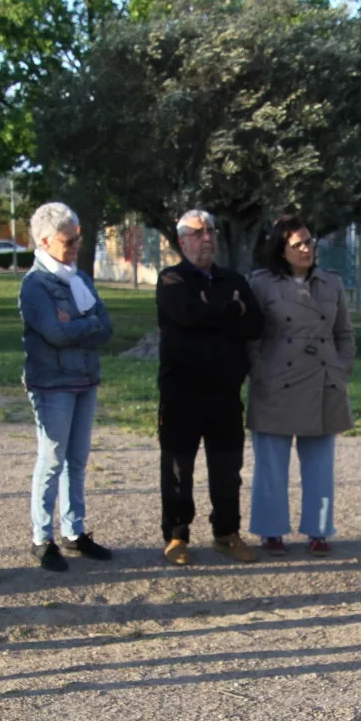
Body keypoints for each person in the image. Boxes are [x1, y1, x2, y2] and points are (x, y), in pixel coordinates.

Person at [155, 209, 265, 565]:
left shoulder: (232, 278)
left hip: (225, 393)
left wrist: (215, 311)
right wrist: (231, 311)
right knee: (177, 469)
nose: (208, 239)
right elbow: (188, 315)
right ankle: (176, 536)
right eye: (199, 233)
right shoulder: (171, 279)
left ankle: (226, 533)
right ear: (183, 240)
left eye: (212, 232)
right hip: (181, 393)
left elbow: (256, 324)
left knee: (227, 469)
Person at [246, 216, 355, 556]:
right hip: (275, 383)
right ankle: (270, 531)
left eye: (310, 241)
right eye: (298, 244)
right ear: (282, 249)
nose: (307, 249)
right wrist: (260, 372)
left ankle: (319, 530)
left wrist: (340, 370)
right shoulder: (261, 284)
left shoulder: (331, 283)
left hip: (323, 380)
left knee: (320, 465)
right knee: (271, 465)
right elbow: (250, 336)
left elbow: (345, 333)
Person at [19, 202, 114, 572]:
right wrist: (85, 322)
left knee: (77, 461)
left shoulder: (80, 279)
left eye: (78, 238)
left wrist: (78, 322)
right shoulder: (35, 285)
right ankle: (42, 538)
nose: (76, 245)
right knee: (52, 460)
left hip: (85, 379)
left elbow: (106, 327)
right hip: (52, 384)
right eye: (68, 239)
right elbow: (55, 334)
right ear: (44, 240)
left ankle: (74, 532)